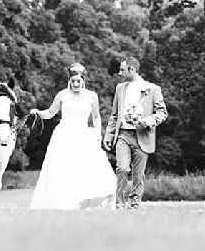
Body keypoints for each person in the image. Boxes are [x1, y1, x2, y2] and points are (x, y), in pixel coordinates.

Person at [28, 64, 116, 209]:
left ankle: (82, 201)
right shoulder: (62, 95)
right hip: (64, 135)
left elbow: (96, 117)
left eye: (78, 81)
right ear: (69, 80)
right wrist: (37, 113)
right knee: (63, 168)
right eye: (73, 81)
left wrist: (97, 134)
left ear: (83, 81)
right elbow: (50, 113)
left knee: (83, 168)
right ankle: (63, 201)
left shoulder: (91, 96)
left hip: (83, 135)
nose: (75, 84)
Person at [103, 56, 167, 209]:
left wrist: (148, 121)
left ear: (132, 70)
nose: (120, 73)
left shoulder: (153, 89)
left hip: (142, 135)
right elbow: (114, 115)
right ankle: (120, 203)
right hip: (123, 135)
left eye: (122, 70)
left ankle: (134, 204)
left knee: (138, 174)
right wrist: (109, 135)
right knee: (122, 168)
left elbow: (162, 113)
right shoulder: (120, 89)